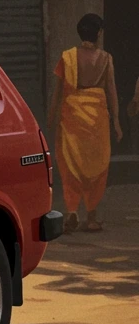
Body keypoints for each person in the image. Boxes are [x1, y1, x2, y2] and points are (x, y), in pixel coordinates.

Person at [49, 13, 122, 233]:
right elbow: (112, 93)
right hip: (97, 120)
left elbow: (57, 94)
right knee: (97, 165)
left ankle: (72, 211)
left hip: (70, 118)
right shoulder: (106, 59)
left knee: (70, 164)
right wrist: (116, 122)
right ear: (98, 33)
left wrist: (51, 119)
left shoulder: (67, 57)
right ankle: (91, 216)